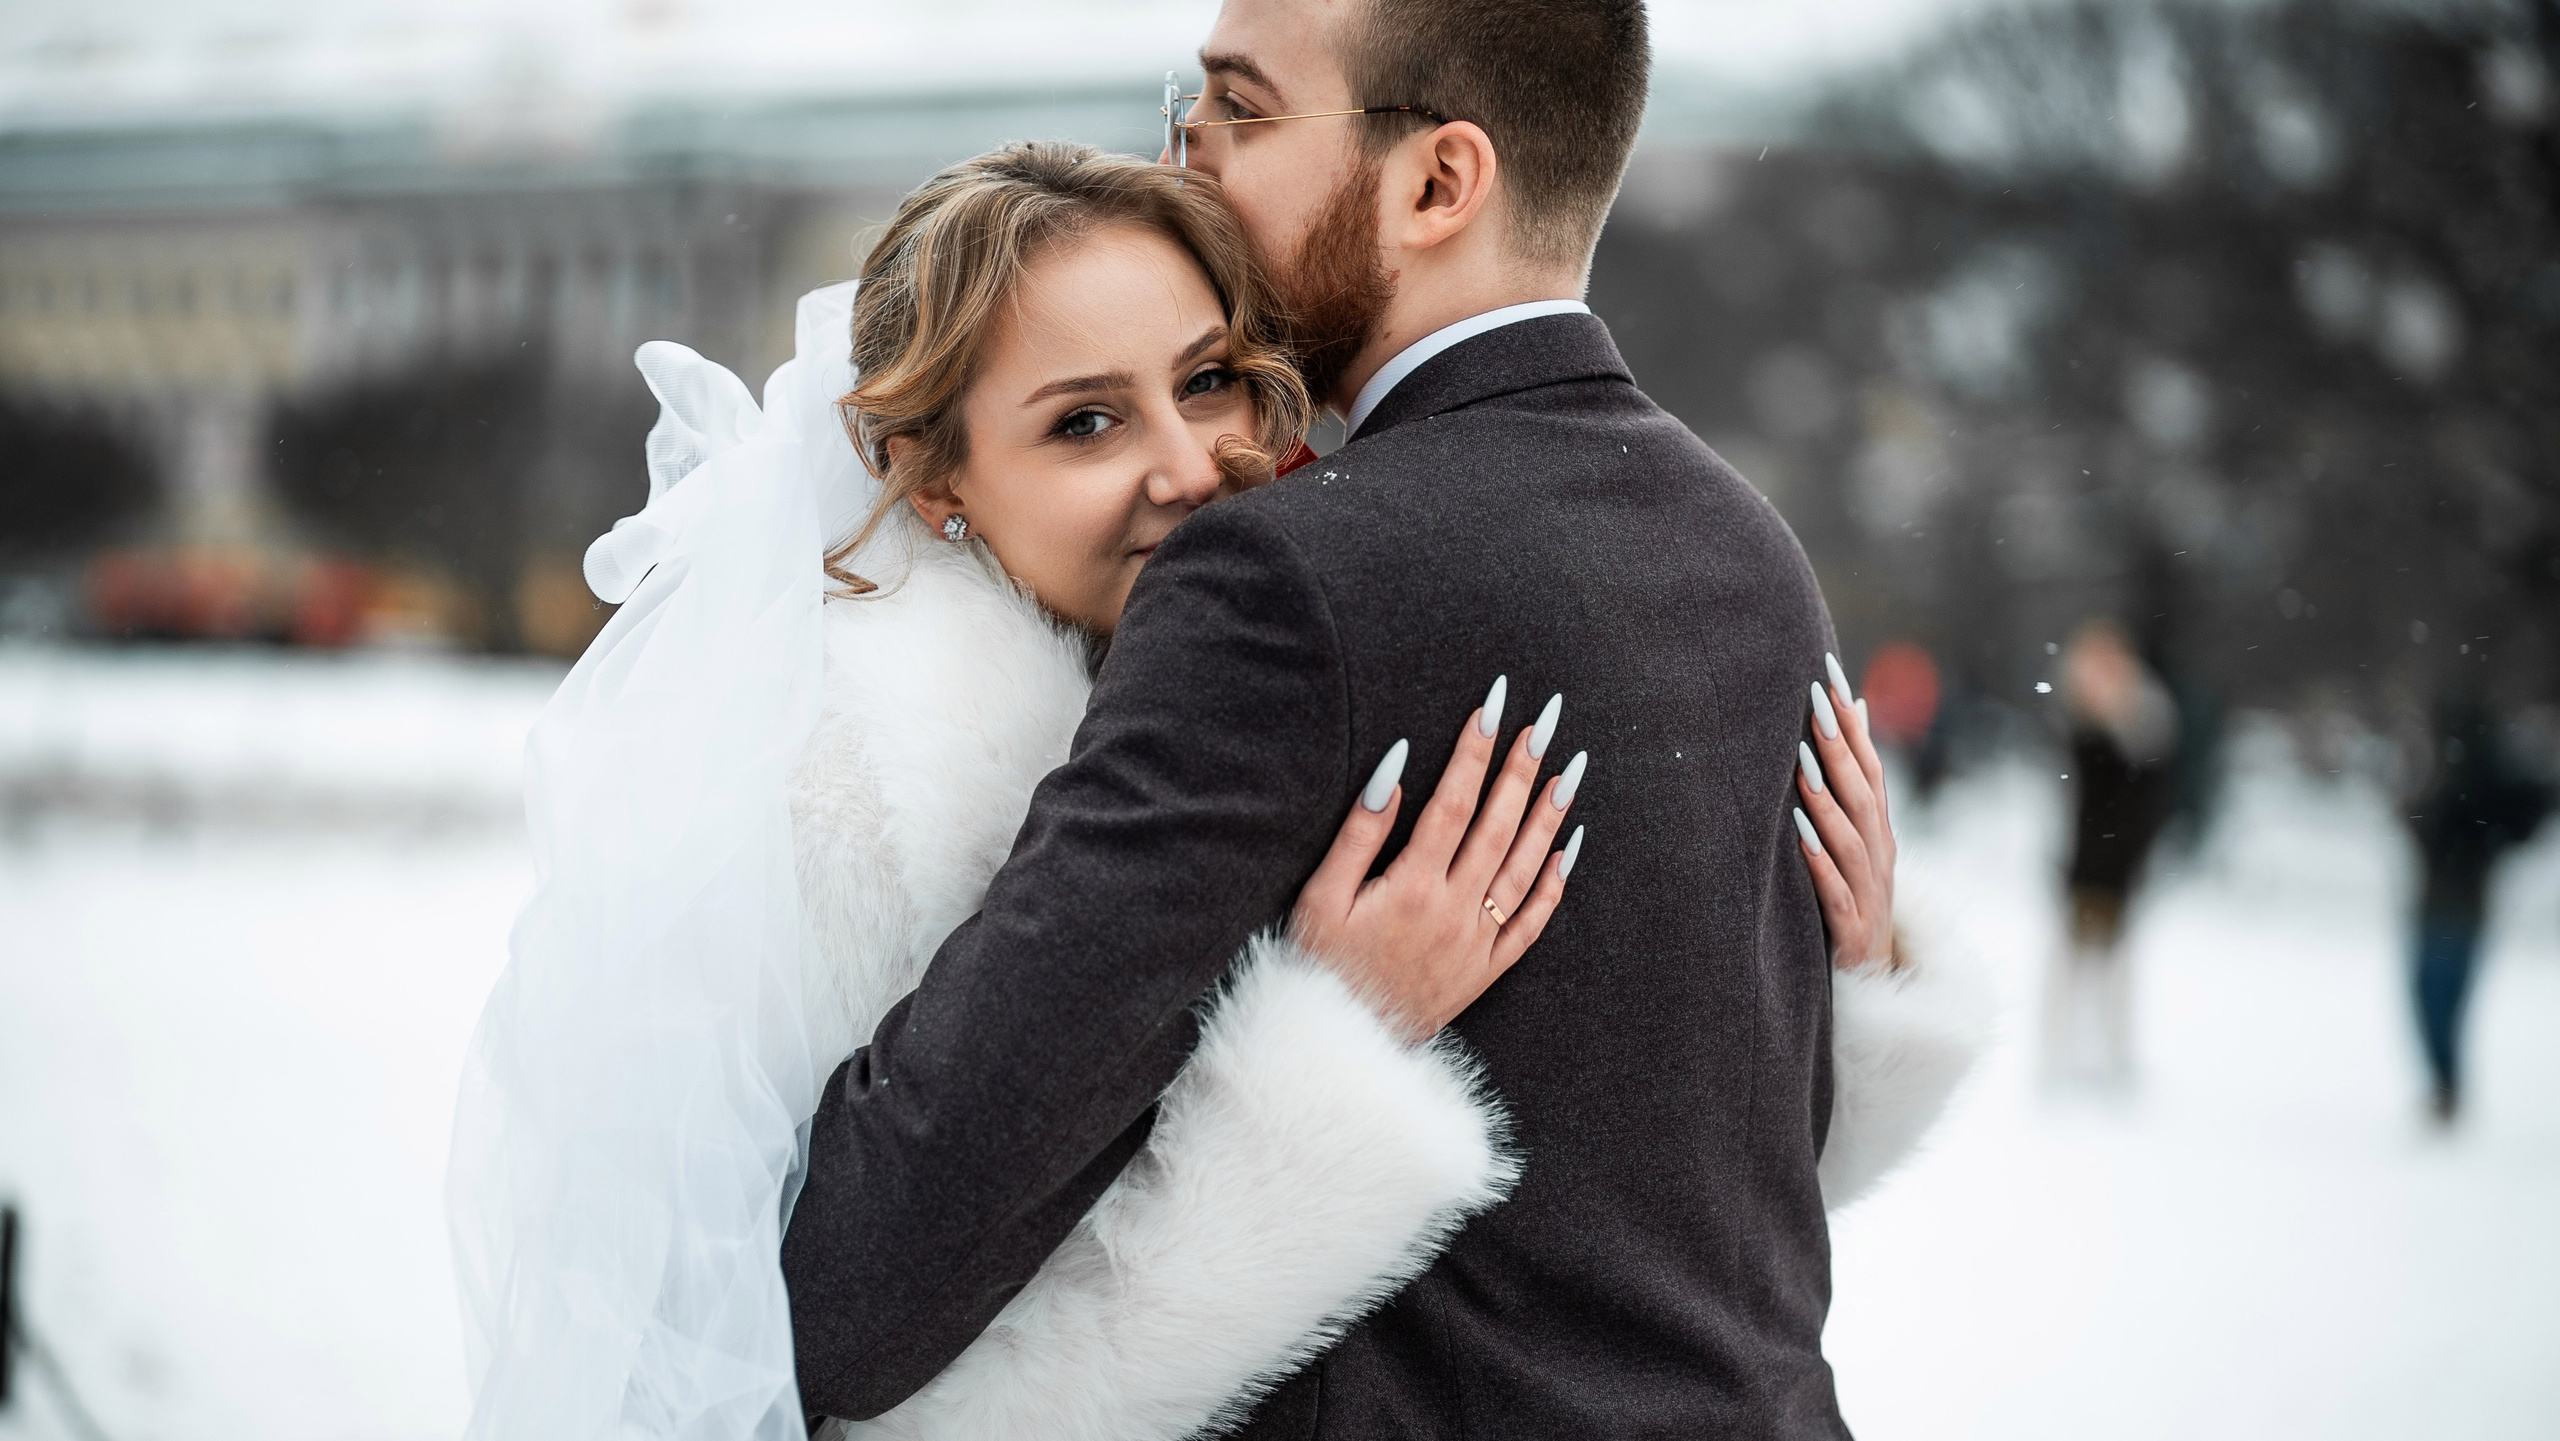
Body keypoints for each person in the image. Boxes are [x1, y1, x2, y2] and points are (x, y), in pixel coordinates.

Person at [777, 3, 1986, 1436]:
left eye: (1239, 107)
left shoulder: (1285, 578)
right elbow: (1666, 1217)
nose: (1191, 157)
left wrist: (1316, 1047)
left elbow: (852, 1290)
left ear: (1436, 184)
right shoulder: (1748, 549)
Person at [2405, 697, 2552, 1123]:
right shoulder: (2468, 781)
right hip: (2449, 909)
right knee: (2439, 1003)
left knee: (2437, 1002)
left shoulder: (2473, 784)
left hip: (2455, 909)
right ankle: (2445, 1086)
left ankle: (2445, 1087)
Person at [2045, 618, 2178, 1085]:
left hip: (2120, 865)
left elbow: (2140, 802)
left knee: (2115, 969)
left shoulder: (2144, 723)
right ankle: (2059, 1056)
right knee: (2069, 966)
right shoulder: (2083, 726)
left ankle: (2113, 1058)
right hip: (2084, 864)